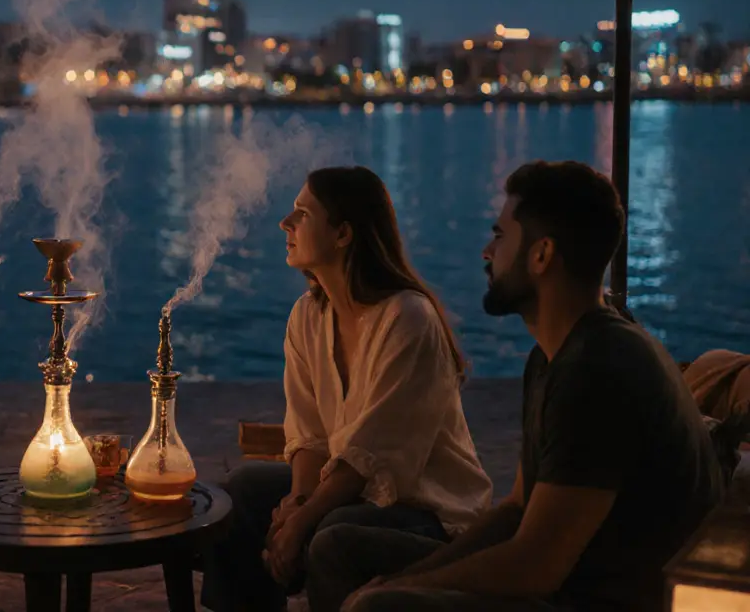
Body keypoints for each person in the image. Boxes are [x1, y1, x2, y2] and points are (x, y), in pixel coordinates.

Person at [318, 161, 725, 612]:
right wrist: (405, 578)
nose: (486, 252)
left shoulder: (598, 370)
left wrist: (404, 591)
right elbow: (516, 508)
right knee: (340, 549)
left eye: (500, 236)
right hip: (563, 577)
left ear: (541, 255)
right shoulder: (554, 356)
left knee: (380, 608)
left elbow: (536, 565)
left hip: (595, 599)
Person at [202, 166, 493, 612]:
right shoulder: (308, 317)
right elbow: (310, 434)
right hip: (351, 488)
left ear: (342, 234)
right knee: (241, 493)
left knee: (330, 528)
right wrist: (297, 499)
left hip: (429, 510)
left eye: (302, 213)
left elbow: (369, 455)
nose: (286, 223)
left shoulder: (406, 319)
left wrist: (300, 521)